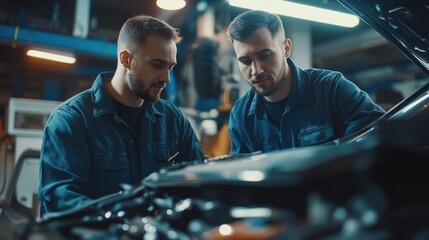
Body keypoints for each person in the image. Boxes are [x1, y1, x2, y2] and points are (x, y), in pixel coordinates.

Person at [38, 15, 205, 213]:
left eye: (170, 67)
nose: (166, 78)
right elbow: (60, 198)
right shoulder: (72, 120)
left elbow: (200, 179)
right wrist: (121, 221)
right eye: (157, 65)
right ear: (126, 59)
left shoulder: (173, 120)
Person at [226, 10, 385, 154]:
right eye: (245, 61)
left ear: (286, 48)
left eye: (264, 55)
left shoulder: (332, 90)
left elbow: (380, 143)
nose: (255, 70)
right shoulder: (241, 115)